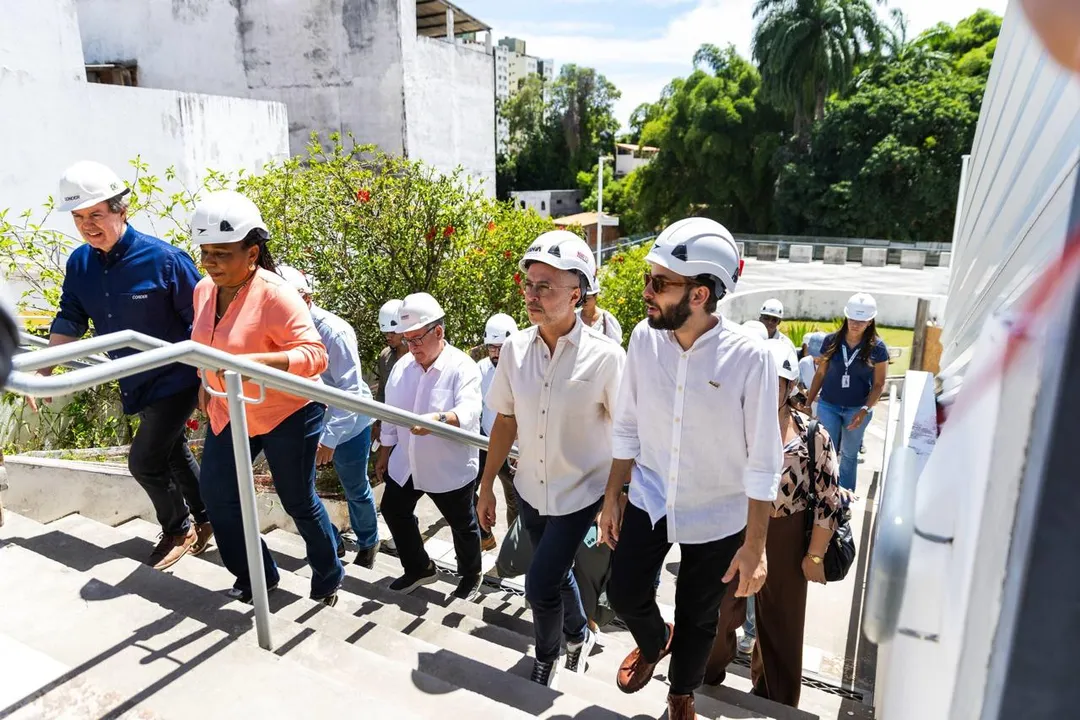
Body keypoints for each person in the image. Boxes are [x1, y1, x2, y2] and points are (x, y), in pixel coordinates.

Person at [599, 217, 784, 720]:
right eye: (649, 279)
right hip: (651, 496)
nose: (646, 291)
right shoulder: (643, 338)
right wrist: (613, 495)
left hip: (719, 513)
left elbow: (764, 460)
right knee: (623, 592)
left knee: (700, 617)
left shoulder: (751, 358)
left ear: (700, 294)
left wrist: (755, 547)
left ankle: (681, 693)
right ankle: (655, 639)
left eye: (659, 283)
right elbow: (628, 424)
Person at [34, 161, 211, 570]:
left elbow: (202, 325)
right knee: (171, 451)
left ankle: (178, 528)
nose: (87, 225)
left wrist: (208, 379)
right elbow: (70, 317)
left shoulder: (166, 260)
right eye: (79, 217)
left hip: (177, 378)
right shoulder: (80, 263)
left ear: (121, 210)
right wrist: (42, 372)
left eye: (96, 214)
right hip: (133, 380)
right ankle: (208, 518)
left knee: (144, 460)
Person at [477, 231, 626, 688]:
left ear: (577, 294)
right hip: (530, 491)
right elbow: (505, 420)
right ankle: (578, 634)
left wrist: (614, 497)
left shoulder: (606, 358)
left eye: (545, 286)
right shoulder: (515, 350)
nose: (532, 295)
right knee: (555, 573)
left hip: (580, 493)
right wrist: (486, 486)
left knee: (539, 583)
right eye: (529, 284)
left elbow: (628, 435)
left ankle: (546, 659)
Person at [189, 190, 343, 606]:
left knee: (296, 499)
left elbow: (315, 355)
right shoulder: (203, 291)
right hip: (231, 409)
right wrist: (205, 382)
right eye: (206, 253)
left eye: (222, 254)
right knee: (217, 495)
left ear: (252, 253)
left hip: (288, 412)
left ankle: (328, 573)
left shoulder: (276, 294)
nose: (211, 262)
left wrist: (259, 362)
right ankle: (256, 574)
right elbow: (206, 345)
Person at [705, 339, 842, 707]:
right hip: (734, 528)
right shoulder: (731, 425)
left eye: (775, 382)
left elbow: (829, 500)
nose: (764, 390)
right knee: (716, 611)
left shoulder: (813, 435)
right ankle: (703, 675)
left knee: (781, 625)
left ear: (791, 385)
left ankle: (775, 702)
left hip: (786, 534)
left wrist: (814, 556)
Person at [375, 292, 484, 601]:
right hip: (407, 462)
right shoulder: (402, 368)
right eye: (407, 340)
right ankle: (419, 568)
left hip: (448, 466)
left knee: (462, 524)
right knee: (393, 510)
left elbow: (470, 411)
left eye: (417, 339)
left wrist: (438, 420)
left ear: (438, 331)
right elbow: (391, 415)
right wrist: (385, 452)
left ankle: (470, 574)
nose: (412, 347)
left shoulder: (462, 367)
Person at [277, 266, 380, 569]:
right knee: (298, 488)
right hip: (308, 416)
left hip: (348, 424)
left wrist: (330, 439)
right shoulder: (281, 327)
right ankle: (331, 540)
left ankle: (368, 542)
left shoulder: (334, 332)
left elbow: (350, 391)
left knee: (354, 487)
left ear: (306, 299)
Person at [802, 293, 888, 492]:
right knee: (826, 450)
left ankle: (845, 497)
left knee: (849, 455)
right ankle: (824, 493)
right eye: (852, 319)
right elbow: (820, 373)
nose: (855, 324)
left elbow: (879, 384)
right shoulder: (831, 341)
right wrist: (808, 403)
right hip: (829, 405)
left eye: (861, 321)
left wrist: (865, 410)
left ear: (870, 322)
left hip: (857, 409)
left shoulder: (878, 348)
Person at [475, 312, 520, 552]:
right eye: (491, 348)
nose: (495, 353)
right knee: (466, 491)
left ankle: (515, 551)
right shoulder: (481, 370)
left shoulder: (524, 370)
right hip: (486, 443)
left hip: (515, 449)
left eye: (501, 348)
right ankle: (484, 537)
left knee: (516, 502)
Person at [579, 277, 623, 344]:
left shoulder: (607, 319)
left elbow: (615, 345)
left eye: (588, 298)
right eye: (582, 297)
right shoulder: (574, 317)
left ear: (596, 297)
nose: (584, 301)